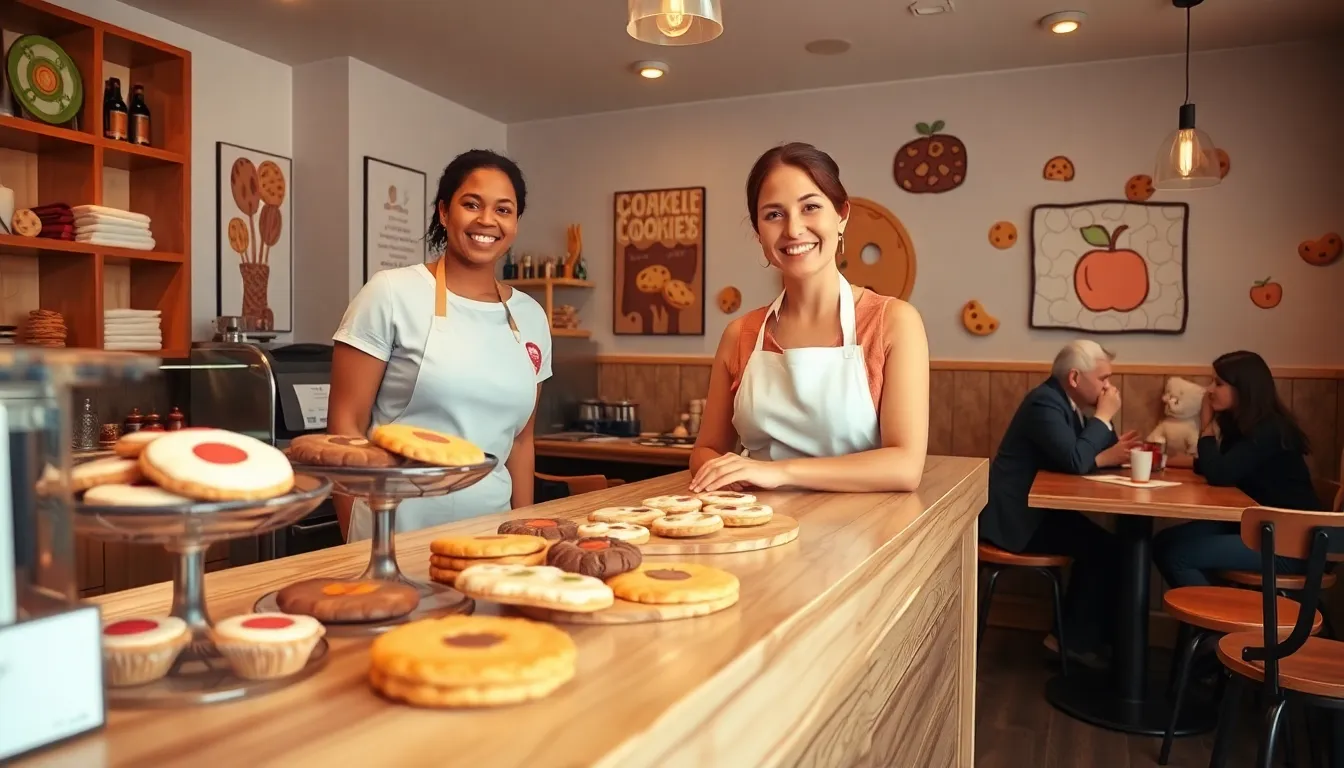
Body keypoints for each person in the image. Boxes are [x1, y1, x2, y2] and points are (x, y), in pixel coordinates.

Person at [326, 149, 551, 540]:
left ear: (515, 223)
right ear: (445, 213)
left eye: (503, 210)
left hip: (490, 536)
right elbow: (345, 428)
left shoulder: (530, 316)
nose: (487, 220)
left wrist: (523, 533)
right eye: (472, 204)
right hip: (393, 533)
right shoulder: (391, 293)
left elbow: (520, 441)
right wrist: (356, 536)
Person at [688, 142, 929, 494]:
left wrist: (779, 472)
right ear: (758, 232)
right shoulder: (740, 334)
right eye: (773, 214)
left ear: (842, 215)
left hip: (862, 535)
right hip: (757, 531)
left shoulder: (893, 322)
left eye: (810, 207)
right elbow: (706, 450)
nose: (793, 229)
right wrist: (724, 471)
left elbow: (905, 467)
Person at [978, 340, 1142, 665]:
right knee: (1106, 551)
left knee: (1112, 548)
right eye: (1103, 379)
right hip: (1015, 520)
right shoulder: (1045, 403)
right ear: (1075, 378)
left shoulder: (1069, 406)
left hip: (1038, 512)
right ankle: (1074, 643)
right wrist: (1105, 417)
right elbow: (1076, 459)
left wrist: (1103, 428)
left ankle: (1086, 640)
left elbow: (1092, 451)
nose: (1109, 387)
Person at [1153, 350, 1323, 588]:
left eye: (1219, 383)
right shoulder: (1246, 425)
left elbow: (1220, 475)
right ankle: (1211, 616)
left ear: (1244, 389)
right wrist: (1162, 460)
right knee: (1162, 543)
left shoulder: (1268, 429)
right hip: (1262, 528)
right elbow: (1223, 466)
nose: (1209, 390)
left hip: (1291, 544)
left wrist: (1205, 426)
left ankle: (1216, 624)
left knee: (1177, 555)